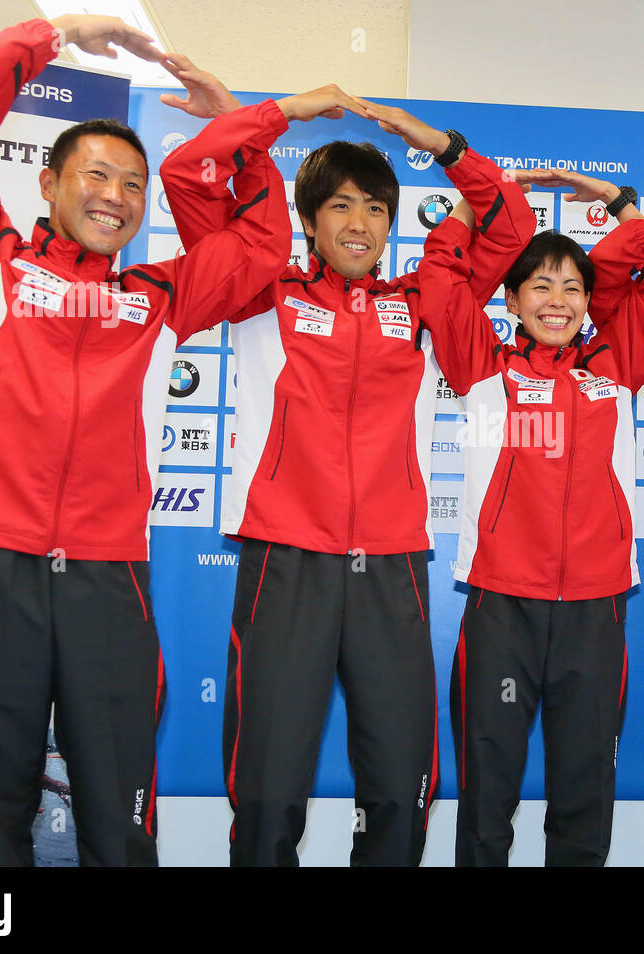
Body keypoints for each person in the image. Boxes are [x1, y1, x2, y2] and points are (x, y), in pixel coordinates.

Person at [0, 14, 293, 865]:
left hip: (108, 578)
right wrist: (59, 29)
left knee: (120, 811)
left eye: (134, 184)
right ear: (47, 183)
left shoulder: (157, 297)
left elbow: (259, 250)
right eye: (97, 175)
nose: (116, 195)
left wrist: (241, 127)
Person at [158, 62, 538, 866]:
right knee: (267, 784)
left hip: (392, 565)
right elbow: (188, 171)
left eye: (375, 206)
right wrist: (279, 114)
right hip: (285, 557)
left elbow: (509, 226)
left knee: (401, 784)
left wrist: (441, 146)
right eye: (340, 205)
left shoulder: (419, 299)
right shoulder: (265, 286)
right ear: (309, 220)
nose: (360, 221)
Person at [426, 170, 644, 865]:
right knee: (487, 795)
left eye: (573, 287)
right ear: (509, 298)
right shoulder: (480, 363)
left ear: (591, 300)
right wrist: (481, 203)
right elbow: (440, 280)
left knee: (584, 795)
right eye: (540, 285)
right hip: (502, 604)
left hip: (595, 609)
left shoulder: (617, 363)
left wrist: (642, 222)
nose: (557, 301)